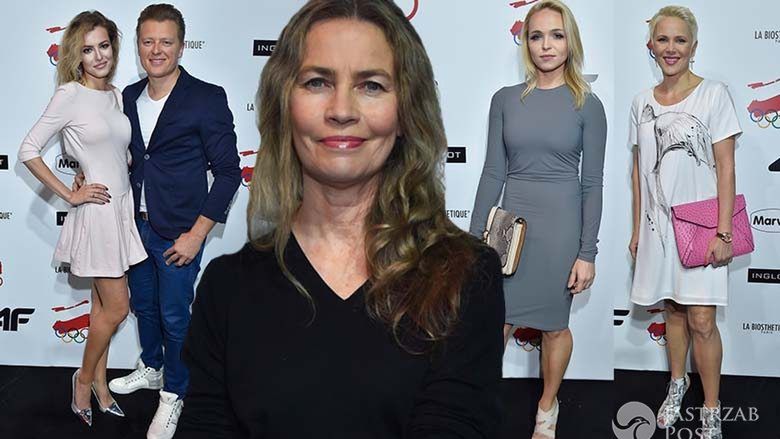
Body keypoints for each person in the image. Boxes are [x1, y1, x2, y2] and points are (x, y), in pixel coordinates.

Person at [176, 0, 505, 437]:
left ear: (406, 112)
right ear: (283, 105)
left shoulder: (465, 274)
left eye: (371, 85)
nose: (342, 110)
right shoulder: (225, 288)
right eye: (317, 82)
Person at [80, 4, 241, 439]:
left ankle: (174, 393)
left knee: (174, 316)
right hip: (133, 226)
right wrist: (86, 173)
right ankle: (152, 367)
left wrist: (197, 235)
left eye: (166, 42)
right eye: (148, 41)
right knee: (144, 307)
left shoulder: (206, 98)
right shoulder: (128, 96)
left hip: (179, 232)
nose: (156, 50)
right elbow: (119, 154)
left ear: (181, 47)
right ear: (137, 46)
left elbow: (229, 173)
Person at [469, 1, 607, 437]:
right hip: (510, 229)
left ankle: (547, 407)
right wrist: (475, 240)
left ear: (570, 42)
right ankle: (475, 406)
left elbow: (592, 183)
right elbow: (493, 172)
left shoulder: (588, 104)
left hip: (561, 229)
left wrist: (587, 252)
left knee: (554, 326)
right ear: (526, 43)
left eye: (556, 35)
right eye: (536, 36)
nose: (546, 45)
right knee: (494, 323)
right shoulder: (505, 100)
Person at [18, 11, 146, 427]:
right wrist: (71, 192)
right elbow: (28, 150)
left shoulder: (116, 96)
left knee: (101, 308)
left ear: (114, 47)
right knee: (119, 307)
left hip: (121, 207)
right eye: (88, 50)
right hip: (97, 213)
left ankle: (101, 385)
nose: (98, 56)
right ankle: (83, 379)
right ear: (77, 56)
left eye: (104, 46)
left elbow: (116, 154)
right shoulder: (69, 95)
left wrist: (92, 170)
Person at [628, 6, 741, 439]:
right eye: (663, 39)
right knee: (673, 311)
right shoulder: (640, 102)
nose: (671, 48)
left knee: (702, 321)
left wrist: (724, 232)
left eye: (680, 40)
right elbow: (639, 173)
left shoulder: (714, 95)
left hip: (702, 227)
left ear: (693, 47)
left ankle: (711, 407)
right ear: (650, 46)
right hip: (658, 229)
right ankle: (677, 383)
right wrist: (637, 231)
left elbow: (726, 167)